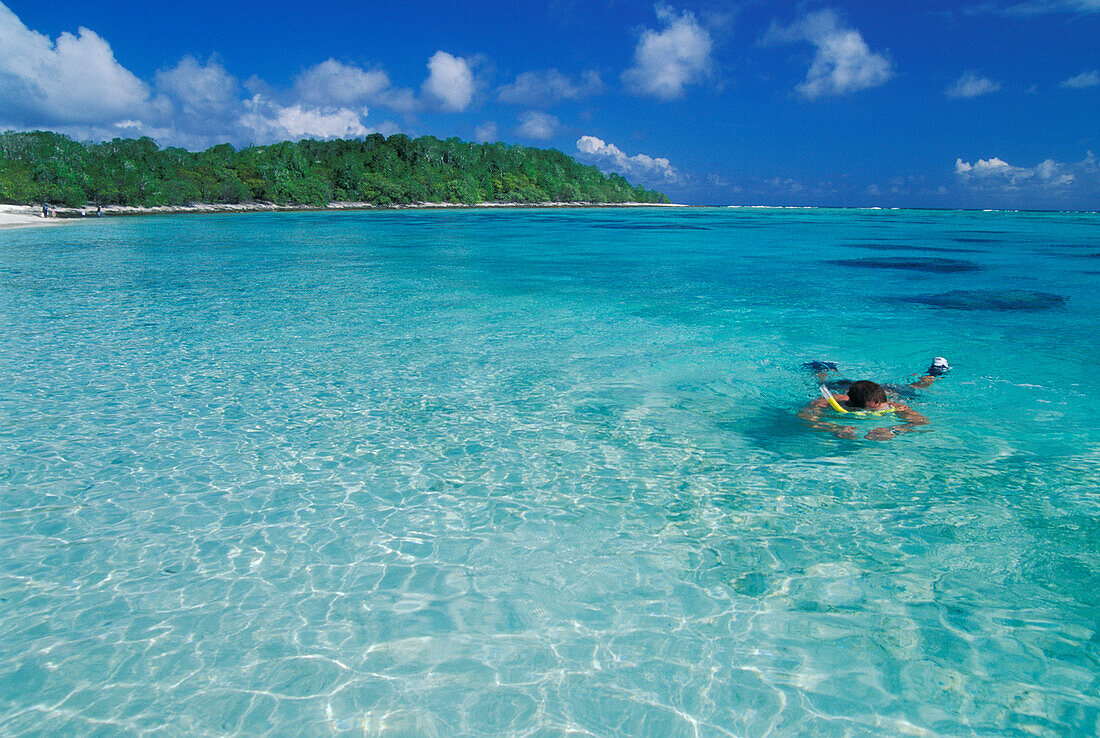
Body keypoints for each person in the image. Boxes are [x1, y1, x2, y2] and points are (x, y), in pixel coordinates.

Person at [798, 358, 949, 441]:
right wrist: (834, 428)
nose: (881, 408)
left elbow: (922, 422)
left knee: (916, 387)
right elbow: (804, 416)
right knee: (828, 378)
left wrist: (893, 431)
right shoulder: (836, 400)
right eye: (875, 407)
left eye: (881, 404)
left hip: (890, 391)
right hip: (851, 389)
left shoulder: (893, 405)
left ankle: (935, 373)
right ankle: (826, 365)